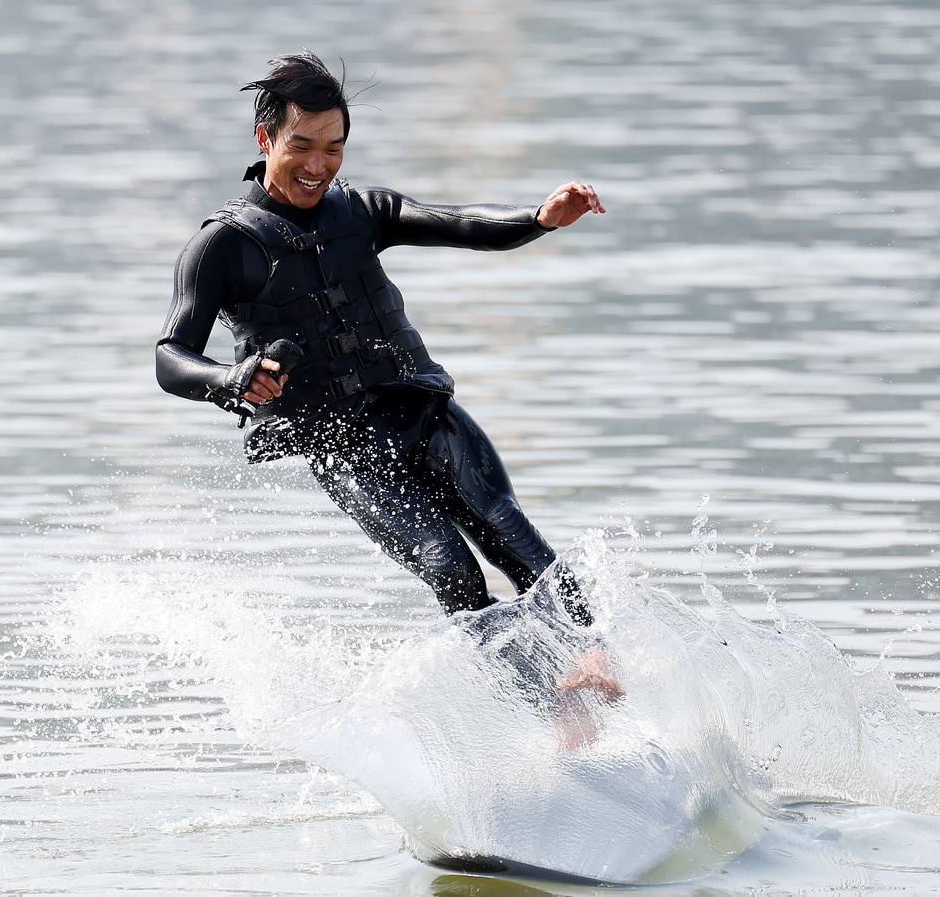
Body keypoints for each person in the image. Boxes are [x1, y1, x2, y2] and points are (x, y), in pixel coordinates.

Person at [155, 53, 607, 635]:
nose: (319, 165)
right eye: (302, 146)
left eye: (334, 147)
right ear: (265, 137)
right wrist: (232, 378)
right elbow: (170, 357)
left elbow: (460, 222)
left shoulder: (364, 213)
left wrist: (539, 216)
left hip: (422, 410)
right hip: (344, 446)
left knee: (524, 548)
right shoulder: (221, 247)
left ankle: (603, 684)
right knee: (455, 573)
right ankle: (551, 706)